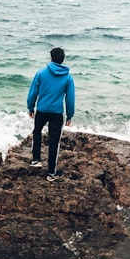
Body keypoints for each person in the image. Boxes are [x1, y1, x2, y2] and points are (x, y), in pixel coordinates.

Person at [27, 47, 75, 181]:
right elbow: (70, 99)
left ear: (51, 58)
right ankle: (51, 173)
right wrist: (70, 115)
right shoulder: (68, 78)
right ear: (62, 60)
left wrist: (31, 107)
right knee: (54, 141)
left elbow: (33, 93)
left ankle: (36, 160)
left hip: (41, 110)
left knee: (37, 132)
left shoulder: (41, 73)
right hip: (56, 114)